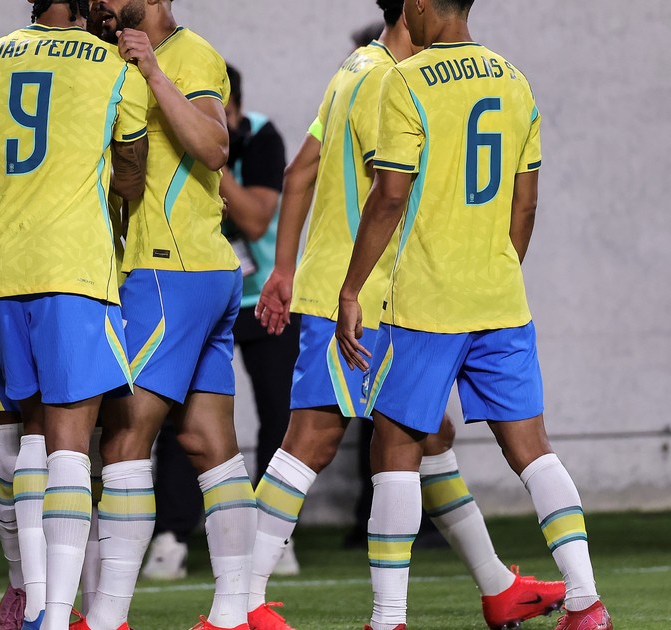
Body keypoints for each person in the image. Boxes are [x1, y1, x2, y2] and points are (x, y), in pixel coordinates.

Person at [251, 3, 568, 629]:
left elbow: (299, 171)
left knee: (429, 434)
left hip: (347, 284)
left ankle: (498, 586)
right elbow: (390, 195)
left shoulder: (355, 66)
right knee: (312, 438)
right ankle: (238, 601)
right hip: (361, 291)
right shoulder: (389, 82)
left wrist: (283, 268)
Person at [333, 0, 611, 628]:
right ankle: (587, 602)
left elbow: (390, 196)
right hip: (500, 300)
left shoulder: (406, 80)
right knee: (534, 451)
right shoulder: (515, 80)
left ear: (421, 4)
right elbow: (525, 204)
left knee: (395, 449)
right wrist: (494, 271)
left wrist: (351, 290)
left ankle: (388, 618)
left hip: (425, 305)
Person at [0, 2, 149, 629]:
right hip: (74, 267)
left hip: (2, 272)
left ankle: (35, 602)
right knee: (70, 442)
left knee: (30, 433)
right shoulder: (113, 65)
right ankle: (57, 617)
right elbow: (131, 179)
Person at [80, 2, 255, 629]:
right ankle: (235, 613)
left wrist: (154, 71)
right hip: (202, 273)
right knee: (210, 445)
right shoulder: (107, 54)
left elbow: (214, 147)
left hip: (166, 271)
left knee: (124, 440)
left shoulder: (189, 54)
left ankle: (105, 618)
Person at [139, 61, 300, 584]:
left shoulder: (260, 136)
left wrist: (211, 151)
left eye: (217, 109)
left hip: (264, 295)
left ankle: (276, 533)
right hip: (198, 291)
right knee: (178, 417)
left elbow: (254, 217)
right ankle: (172, 535)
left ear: (234, 108)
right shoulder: (165, 127)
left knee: (281, 413)